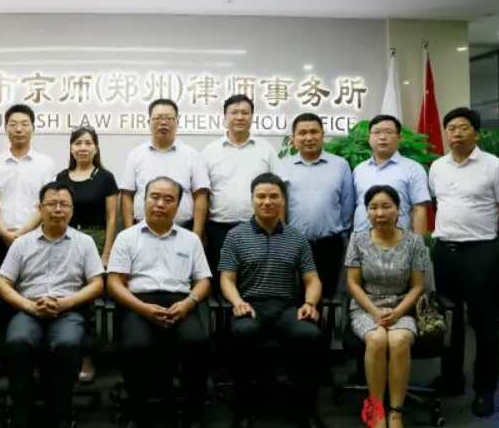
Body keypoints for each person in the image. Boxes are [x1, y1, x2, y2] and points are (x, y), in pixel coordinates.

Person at [429, 107, 499, 417]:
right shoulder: (437, 167)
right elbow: (439, 203)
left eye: (463, 127)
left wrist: (490, 242)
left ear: (476, 133)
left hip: (482, 253)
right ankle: (452, 378)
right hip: (445, 252)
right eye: (451, 128)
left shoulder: (494, 166)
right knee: (448, 320)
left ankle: (485, 389)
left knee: (485, 322)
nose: (456, 133)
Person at [219, 173, 327, 428]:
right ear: (252, 199)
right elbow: (227, 279)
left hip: (286, 308)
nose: (267, 202)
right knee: (243, 332)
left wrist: (309, 304)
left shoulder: (297, 237)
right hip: (250, 305)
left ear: (282, 200)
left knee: (309, 334)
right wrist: (237, 301)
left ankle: (305, 410)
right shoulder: (235, 236)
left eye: (273, 196)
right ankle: (243, 410)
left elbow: (312, 279)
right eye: (261, 196)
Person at [0, 182, 105, 428]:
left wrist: (65, 303)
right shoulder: (22, 243)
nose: (58, 209)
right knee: (18, 342)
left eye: (64, 204)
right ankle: (21, 411)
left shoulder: (85, 242)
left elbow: (97, 284)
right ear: (40, 208)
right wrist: (30, 306)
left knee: (67, 343)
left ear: (72, 210)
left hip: (68, 311)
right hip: (29, 310)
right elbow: (2, 283)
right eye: (52, 204)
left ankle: (61, 412)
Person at [108, 176, 211, 428]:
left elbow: (204, 281)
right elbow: (114, 283)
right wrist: (142, 308)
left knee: (197, 343)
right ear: (144, 200)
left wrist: (189, 303)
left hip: (180, 303)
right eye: (154, 197)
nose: (160, 204)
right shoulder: (127, 237)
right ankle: (139, 413)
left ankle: (193, 413)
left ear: (178, 205)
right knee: (135, 346)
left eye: (168, 199)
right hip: (138, 303)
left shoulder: (190, 239)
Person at [345, 185, 427, 428]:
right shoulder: (357, 240)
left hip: (402, 306)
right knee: (377, 339)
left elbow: (418, 286)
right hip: (366, 306)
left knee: (399, 340)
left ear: (398, 210)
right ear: (367, 212)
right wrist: (375, 311)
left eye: (386, 206)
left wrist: (398, 312)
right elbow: (352, 283)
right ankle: (376, 409)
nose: (379, 213)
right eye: (373, 207)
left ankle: (396, 411)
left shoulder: (414, 242)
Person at [54, 125, 118, 383]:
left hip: (97, 239)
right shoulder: (62, 177)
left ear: (96, 147)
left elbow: (112, 218)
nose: (82, 147)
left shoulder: (106, 178)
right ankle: (62, 351)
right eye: (78, 143)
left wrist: (107, 251)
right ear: (71, 148)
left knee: (90, 301)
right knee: (65, 292)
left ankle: (87, 357)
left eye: (88, 143)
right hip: (67, 240)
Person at [201, 94, 281, 294]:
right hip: (218, 229)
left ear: (252, 117)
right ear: (225, 117)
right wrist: (200, 231)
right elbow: (203, 194)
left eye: (245, 113)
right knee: (220, 283)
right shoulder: (210, 151)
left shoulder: (266, 150)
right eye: (234, 112)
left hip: (258, 229)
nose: (239, 117)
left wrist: (281, 228)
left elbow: (280, 192)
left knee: (254, 282)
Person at [281, 113, 354, 299]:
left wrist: (340, 232)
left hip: (330, 243)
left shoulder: (340, 165)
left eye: (314, 132)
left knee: (328, 295)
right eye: (302, 133)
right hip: (294, 243)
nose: (309, 137)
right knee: (295, 296)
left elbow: (347, 205)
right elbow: (279, 205)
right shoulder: (282, 166)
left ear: (322, 135)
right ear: (293, 138)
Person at [120, 99, 209, 238]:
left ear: (177, 122)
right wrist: (129, 232)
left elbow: (201, 195)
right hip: (142, 231)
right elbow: (127, 195)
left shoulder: (191, 155)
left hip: (183, 231)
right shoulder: (136, 155)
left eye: (169, 118)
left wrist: (196, 235)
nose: (163, 122)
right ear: (149, 122)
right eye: (158, 118)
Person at [0, 103, 55, 271]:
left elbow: (46, 202)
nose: (19, 129)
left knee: (33, 282)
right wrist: (3, 232)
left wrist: (23, 232)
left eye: (24, 124)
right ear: (6, 128)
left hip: (35, 236)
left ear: (33, 128)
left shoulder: (46, 163)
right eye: (13, 124)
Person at [352, 115, 430, 234]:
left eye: (389, 132)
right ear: (369, 138)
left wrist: (418, 242)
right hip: (362, 240)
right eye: (376, 132)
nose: (382, 137)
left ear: (399, 138)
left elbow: (419, 209)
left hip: (399, 240)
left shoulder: (413, 169)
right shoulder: (359, 169)